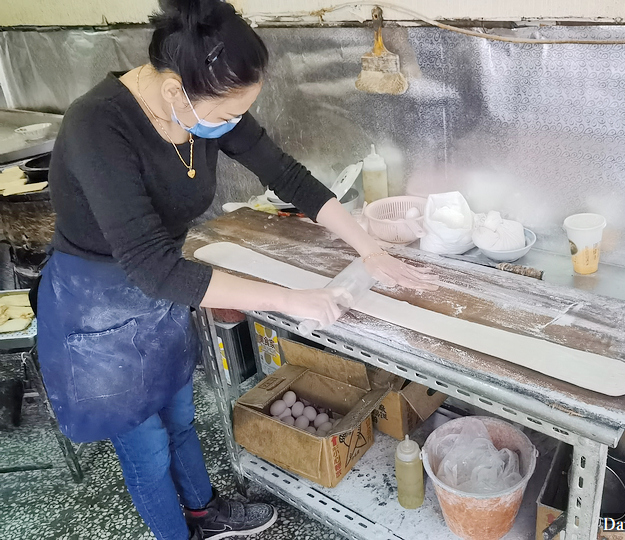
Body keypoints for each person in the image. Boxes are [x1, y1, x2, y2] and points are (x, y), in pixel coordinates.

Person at [35, 0, 438, 539]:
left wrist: (368, 248)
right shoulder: (98, 126)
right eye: (225, 115)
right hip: (98, 302)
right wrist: (289, 298)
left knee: (180, 416)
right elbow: (152, 266)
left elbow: (287, 175)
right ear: (177, 91)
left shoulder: (201, 104)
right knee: (146, 444)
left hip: (163, 287)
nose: (230, 124)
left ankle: (204, 511)